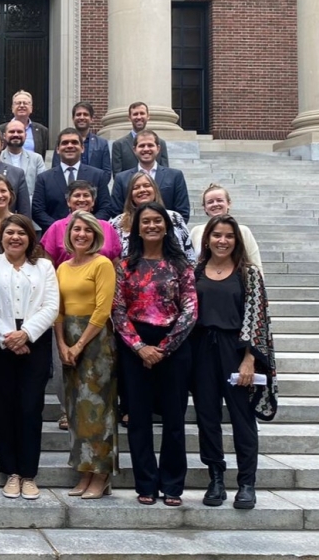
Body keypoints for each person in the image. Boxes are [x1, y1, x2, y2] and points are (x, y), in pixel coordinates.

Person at [111, 201, 196, 507]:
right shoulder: (124, 265)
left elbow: (190, 309)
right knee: (139, 420)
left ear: (166, 226)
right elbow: (118, 310)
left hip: (174, 345)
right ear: (137, 228)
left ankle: (172, 485)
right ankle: (146, 483)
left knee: (174, 418)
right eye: (145, 221)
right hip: (135, 346)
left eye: (157, 221)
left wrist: (164, 347)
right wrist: (139, 347)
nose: (151, 226)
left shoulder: (182, 266)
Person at [192, 214, 276, 510]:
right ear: (208, 239)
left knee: (242, 418)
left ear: (236, 240)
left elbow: (257, 317)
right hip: (202, 349)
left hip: (236, 350)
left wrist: (249, 359)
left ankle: (246, 483)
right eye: (217, 235)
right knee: (207, 417)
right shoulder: (196, 270)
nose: (222, 241)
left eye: (228, 236)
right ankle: (215, 478)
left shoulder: (248, 273)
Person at [0, 214, 58, 500]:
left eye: (21, 233)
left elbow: (52, 306)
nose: (15, 237)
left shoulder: (44, 267)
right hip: (0, 343)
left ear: (30, 237)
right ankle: (11, 473)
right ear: (1, 236)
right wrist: (8, 337)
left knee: (30, 408)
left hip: (35, 342)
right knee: (3, 408)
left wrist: (25, 333)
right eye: (9, 233)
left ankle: (28, 474)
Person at [54, 210, 118, 500]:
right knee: (76, 410)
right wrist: (63, 346)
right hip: (67, 338)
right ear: (69, 234)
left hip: (96, 342)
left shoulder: (102, 264)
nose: (81, 234)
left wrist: (79, 345)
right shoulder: (63, 268)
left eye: (87, 230)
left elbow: (103, 310)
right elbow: (59, 310)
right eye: (76, 229)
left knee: (97, 410)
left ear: (96, 235)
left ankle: (101, 474)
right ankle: (84, 471)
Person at [32, 128, 113, 231]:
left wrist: (87, 226)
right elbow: (37, 211)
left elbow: (106, 207)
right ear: (57, 149)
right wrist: (61, 228)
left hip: (90, 237)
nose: (70, 146)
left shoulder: (98, 175)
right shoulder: (44, 178)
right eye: (65, 143)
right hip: (55, 238)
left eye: (74, 142)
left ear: (82, 148)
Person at [109, 172, 195, 263]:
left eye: (147, 185)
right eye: (136, 187)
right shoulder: (117, 223)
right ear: (130, 195)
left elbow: (189, 254)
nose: (142, 190)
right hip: (130, 274)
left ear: (155, 191)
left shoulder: (175, 218)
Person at [40, 180, 122, 267]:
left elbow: (116, 263)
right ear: (68, 202)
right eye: (77, 195)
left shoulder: (107, 227)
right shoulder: (56, 227)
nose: (82, 199)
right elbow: (48, 265)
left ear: (93, 201)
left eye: (86, 195)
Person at [111, 130, 190, 221]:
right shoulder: (121, 178)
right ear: (134, 150)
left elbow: (183, 212)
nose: (146, 149)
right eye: (141, 146)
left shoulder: (175, 176)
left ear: (158, 148)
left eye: (150, 145)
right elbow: (116, 212)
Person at [190, 183, 263, 270]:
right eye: (210, 202)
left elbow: (256, 263)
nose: (215, 204)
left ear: (228, 203)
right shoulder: (196, 231)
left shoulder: (243, 231)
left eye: (219, 200)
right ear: (205, 207)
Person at [53, 101, 111, 174]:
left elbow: (106, 172)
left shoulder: (102, 143)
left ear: (91, 119)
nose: (82, 117)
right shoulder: (63, 142)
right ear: (73, 118)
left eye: (85, 114)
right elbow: (55, 168)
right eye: (78, 114)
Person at [111, 101, 169, 173]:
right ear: (129, 118)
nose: (139, 117)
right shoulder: (119, 145)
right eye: (135, 114)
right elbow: (117, 175)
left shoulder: (161, 143)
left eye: (142, 113)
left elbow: (165, 173)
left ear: (148, 116)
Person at [0, 120, 46, 200]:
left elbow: (42, 186)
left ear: (25, 135)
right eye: (12, 132)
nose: (16, 134)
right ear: (4, 136)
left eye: (19, 132)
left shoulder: (36, 159)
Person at [0, 90, 50, 159]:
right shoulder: (0, 130)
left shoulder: (42, 130)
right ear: (12, 108)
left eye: (25, 103)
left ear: (31, 108)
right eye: (18, 103)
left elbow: (42, 154)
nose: (22, 106)